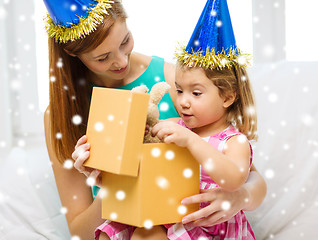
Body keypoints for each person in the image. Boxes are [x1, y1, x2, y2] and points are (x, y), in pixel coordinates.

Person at [42, 0, 266, 239]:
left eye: (125, 41)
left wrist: (240, 197)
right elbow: (81, 233)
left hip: (186, 224)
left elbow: (246, 174)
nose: (121, 61)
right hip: (128, 226)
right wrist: (112, 187)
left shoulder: (175, 83)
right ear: (72, 52)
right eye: (103, 57)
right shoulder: (64, 113)